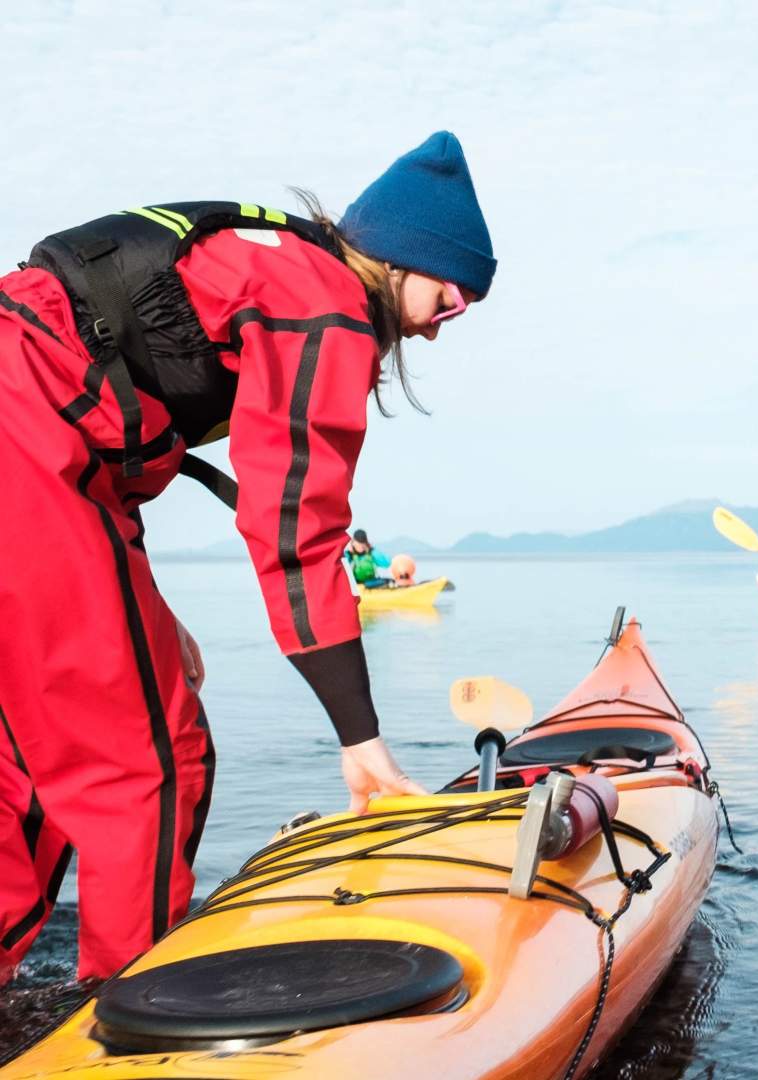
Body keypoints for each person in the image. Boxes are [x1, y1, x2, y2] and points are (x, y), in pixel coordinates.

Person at [0, 130, 495, 984]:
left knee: (31, 764)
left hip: (38, 452)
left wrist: (151, 609)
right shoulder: (325, 301)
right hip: (22, 446)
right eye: (448, 303)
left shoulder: (268, 261)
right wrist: (360, 738)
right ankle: (128, 1026)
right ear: (402, 260)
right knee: (150, 763)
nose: (442, 330)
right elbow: (296, 526)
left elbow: (94, 419)